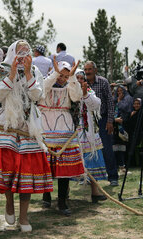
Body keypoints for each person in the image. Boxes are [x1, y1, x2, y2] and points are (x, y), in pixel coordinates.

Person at [0, 39, 53, 232]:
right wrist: (12, 74)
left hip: (29, 124)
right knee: (7, 165)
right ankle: (8, 201)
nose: (22, 55)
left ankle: (23, 216)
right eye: (19, 51)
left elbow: (37, 96)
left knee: (27, 172)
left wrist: (30, 74)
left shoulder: (36, 72)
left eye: (26, 51)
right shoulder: (2, 69)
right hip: (7, 121)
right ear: (13, 52)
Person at [38, 59, 83, 216]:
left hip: (64, 128)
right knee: (46, 166)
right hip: (45, 127)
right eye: (60, 75)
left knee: (64, 167)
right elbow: (42, 90)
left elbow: (77, 96)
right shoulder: (45, 83)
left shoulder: (69, 87)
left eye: (65, 76)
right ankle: (46, 194)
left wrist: (72, 78)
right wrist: (56, 73)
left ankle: (62, 200)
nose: (61, 78)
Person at [74, 70, 108, 203]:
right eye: (77, 78)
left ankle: (95, 192)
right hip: (72, 132)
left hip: (88, 133)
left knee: (93, 159)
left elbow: (96, 105)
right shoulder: (68, 91)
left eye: (82, 78)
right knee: (69, 161)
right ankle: (63, 194)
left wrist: (85, 94)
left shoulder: (89, 91)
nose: (79, 80)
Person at [84, 61, 118, 186]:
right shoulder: (82, 82)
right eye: (86, 69)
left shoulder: (103, 82)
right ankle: (90, 177)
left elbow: (110, 102)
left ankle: (113, 176)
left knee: (107, 148)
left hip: (102, 119)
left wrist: (110, 121)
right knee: (88, 149)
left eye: (90, 69)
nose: (87, 72)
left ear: (95, 70)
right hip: (87, 120)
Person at [113, 85, 132, 173]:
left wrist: (119, 101)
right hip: (114, 126)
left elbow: (127, 109)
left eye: (121, 91)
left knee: (122, 147)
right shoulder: (114, 100)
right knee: (114, 147)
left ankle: (122, 166)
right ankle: (115, 167)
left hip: (123, 126)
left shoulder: (128, 99)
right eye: (118, 91)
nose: (119, 92)